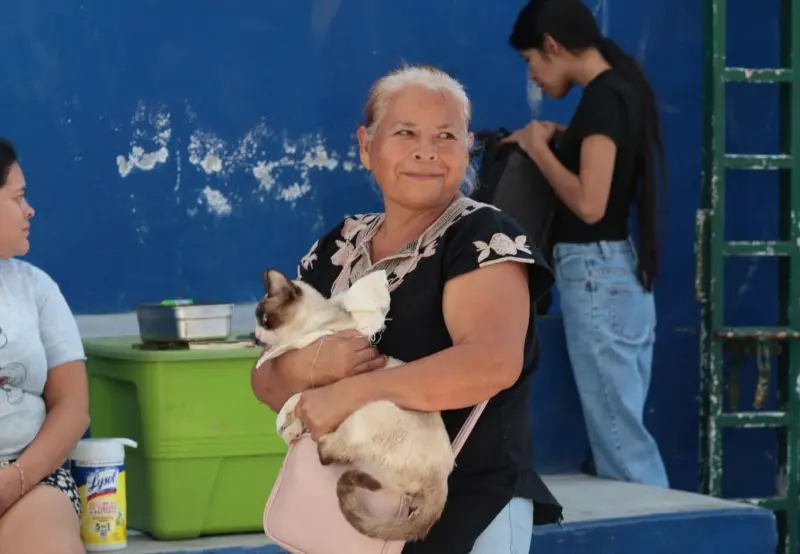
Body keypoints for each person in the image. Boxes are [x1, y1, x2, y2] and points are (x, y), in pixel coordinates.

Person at [251, 65, 563, 553]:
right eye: (405, 133)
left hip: (465, 505)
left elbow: (491, 363)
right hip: (353, 504)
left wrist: (349, 392)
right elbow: (265, 380)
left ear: (468, 148)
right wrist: (314, 365)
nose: (426, 151)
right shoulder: (339, 244)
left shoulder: (484, 238)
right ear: (365, 145)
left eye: (446, 136)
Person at [505, 0, 669, 488]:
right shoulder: (619, 90)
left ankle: (658, 525)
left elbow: (590, 204)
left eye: (531, 60)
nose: (533, 77)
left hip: (596, 277)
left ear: (552, 45)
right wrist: (566, 135)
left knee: (622, 449)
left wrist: (537, 148)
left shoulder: (602, 98)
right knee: (622, 438)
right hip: (615, 274)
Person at [0, 138, 89, 553]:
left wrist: (15, 479)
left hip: (28, 478)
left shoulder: (36, 289)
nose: (29, 209)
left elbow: (72, 408)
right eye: (18, 197)